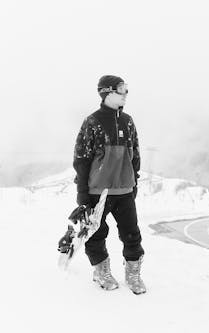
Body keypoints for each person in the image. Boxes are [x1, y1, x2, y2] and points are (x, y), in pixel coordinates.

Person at [72, 75, 146, 294]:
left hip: (124, 189)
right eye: (121, 89)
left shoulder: (128, 121)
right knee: (96, 234)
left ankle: (133, 274)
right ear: (107, 92)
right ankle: (101, 271)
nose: (125, 94)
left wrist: (134, 183)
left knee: (132, 233)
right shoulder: (92, 122)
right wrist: (83, 194)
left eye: (126, 89)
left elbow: (135, 155)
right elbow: (81, 159)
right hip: (98, 192)